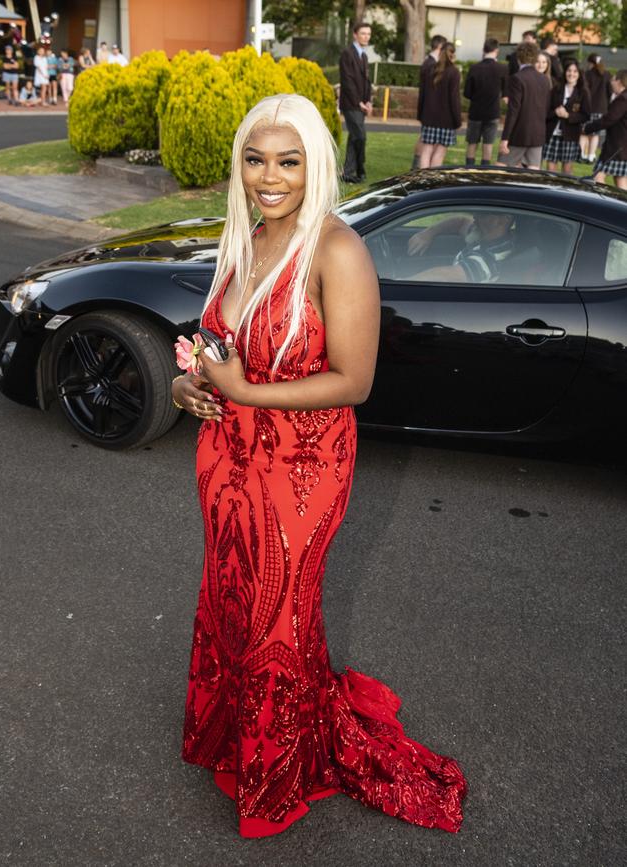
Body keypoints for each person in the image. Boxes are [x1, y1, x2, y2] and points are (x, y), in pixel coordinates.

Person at [172, 92, 468, 838]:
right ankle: (231, 737)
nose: (269, 177)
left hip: (302, 466)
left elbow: (355, 380)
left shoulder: (336, 250)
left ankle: (278, 768)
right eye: (254, 159)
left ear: (317, 166)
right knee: (231, 597)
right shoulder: (247, 238)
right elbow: (220, 346)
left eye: (288, 161)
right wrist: (194, 384)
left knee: (281, 613)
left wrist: (244, 388)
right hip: (228, 458)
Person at [406, 211, 516, 282]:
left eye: (483, 214)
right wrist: (429, 233)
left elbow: (445, 276)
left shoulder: (491, 258)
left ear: (505, 219)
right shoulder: (482, 234)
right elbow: (461, 222)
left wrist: (404, 281)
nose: (475, 217)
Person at [497, 41, 551, 170]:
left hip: (519, 134)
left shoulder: (517, 78)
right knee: (532, 175)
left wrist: (505, 138)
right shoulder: (544, 79)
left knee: (500, 170)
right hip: (537, 134)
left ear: (518, 57)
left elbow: (513, 110)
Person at [463, 37, 507, 167]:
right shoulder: (502, 69)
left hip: (475, 111)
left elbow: (467, 93)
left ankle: (469, 170)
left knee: (472, 143)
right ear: (497, 51)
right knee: (488, 144)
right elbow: (506, 91)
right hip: (492, 112)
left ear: (483, 50)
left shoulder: (474, 68)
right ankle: (484, 171)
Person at [339, 21, 372, 183]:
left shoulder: (364, 55)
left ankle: (348, 172)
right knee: (360, 136)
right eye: (363, 33)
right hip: (351, 104)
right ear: (355, 34)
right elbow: (347, 81)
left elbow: (367, 82)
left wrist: (368, 101)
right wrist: (359, 102)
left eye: (368, 34)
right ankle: (360, 168)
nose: (366, 37)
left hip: (362, 105)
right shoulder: (347, 53)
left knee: (354, 137)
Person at [543, 60, 591, 175]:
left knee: (567, 170)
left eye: (575, 71)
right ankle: (550, 191)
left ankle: (566, 192)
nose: (571, 74)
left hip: (570, 135)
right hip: (552, 134)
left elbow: (586, 115)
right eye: (569, 70)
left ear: (579, 74)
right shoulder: (556, 89)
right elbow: (545, 111)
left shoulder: (583, 92)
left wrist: (568, 115)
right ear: (565, 72)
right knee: (550, 169)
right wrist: (555, 112)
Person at [419, 42, 461, 168]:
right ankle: (432, 183)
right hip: (446, 120)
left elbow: (422, 94)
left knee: (426, 151)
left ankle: (423, 180)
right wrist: (457, 121)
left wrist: (420, 115)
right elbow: (454, 99)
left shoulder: (429, 69)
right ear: (452, 55)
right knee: (440, 153)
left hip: (429, 118)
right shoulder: (454, 72)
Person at [584, 69, 627, 191]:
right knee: (620, 180)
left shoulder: (623, 99)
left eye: (613, 79)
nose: (611, 82)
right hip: (622, 149)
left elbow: (608, 119)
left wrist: (587, 128)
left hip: (617, 148)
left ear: (620, 81)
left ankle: (606, 205)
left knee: (598, 177)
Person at [413, 34, 447, 168]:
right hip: (430, 109)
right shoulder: (431, 65)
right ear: (439, 47)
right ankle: (416, 167)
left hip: (426, 108)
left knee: (424, 139)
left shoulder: (428, 62)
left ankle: (415, 166)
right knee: (425, 141)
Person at [580, 54, 613, 163]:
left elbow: (583, 91)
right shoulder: (607, 74)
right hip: (602, 109)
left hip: (587, 108)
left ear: (590, 63)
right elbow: (610, 92)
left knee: (584, 132)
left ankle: (581, 155)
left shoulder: (587, 74)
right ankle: (591, 156)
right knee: (595, 135)